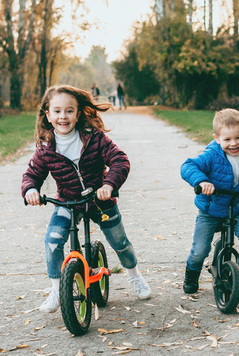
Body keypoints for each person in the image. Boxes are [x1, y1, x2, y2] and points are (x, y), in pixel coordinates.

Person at [22, 85, 151, 313]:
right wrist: (31, 190)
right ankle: (56, 289)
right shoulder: (45, 148)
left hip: (100, 200)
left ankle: (134, 276)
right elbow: (32, 174)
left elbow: (120, 160)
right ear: (48, 114)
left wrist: (109, 184)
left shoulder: (95, 138)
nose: (63, 116)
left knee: (120, 242)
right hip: (68, 202)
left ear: (78, 113)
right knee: (52, 240)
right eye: (58, 111)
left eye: (69, 111)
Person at [180, 108, 239, 294]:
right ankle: (192, 272)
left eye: (238, 137)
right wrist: (202, 181)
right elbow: (188, 166)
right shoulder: (212, 155)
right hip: (210, 209)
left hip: (236, 207)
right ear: (217, 138)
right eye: (227, 139)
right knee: (200, 250)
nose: (234, 143)